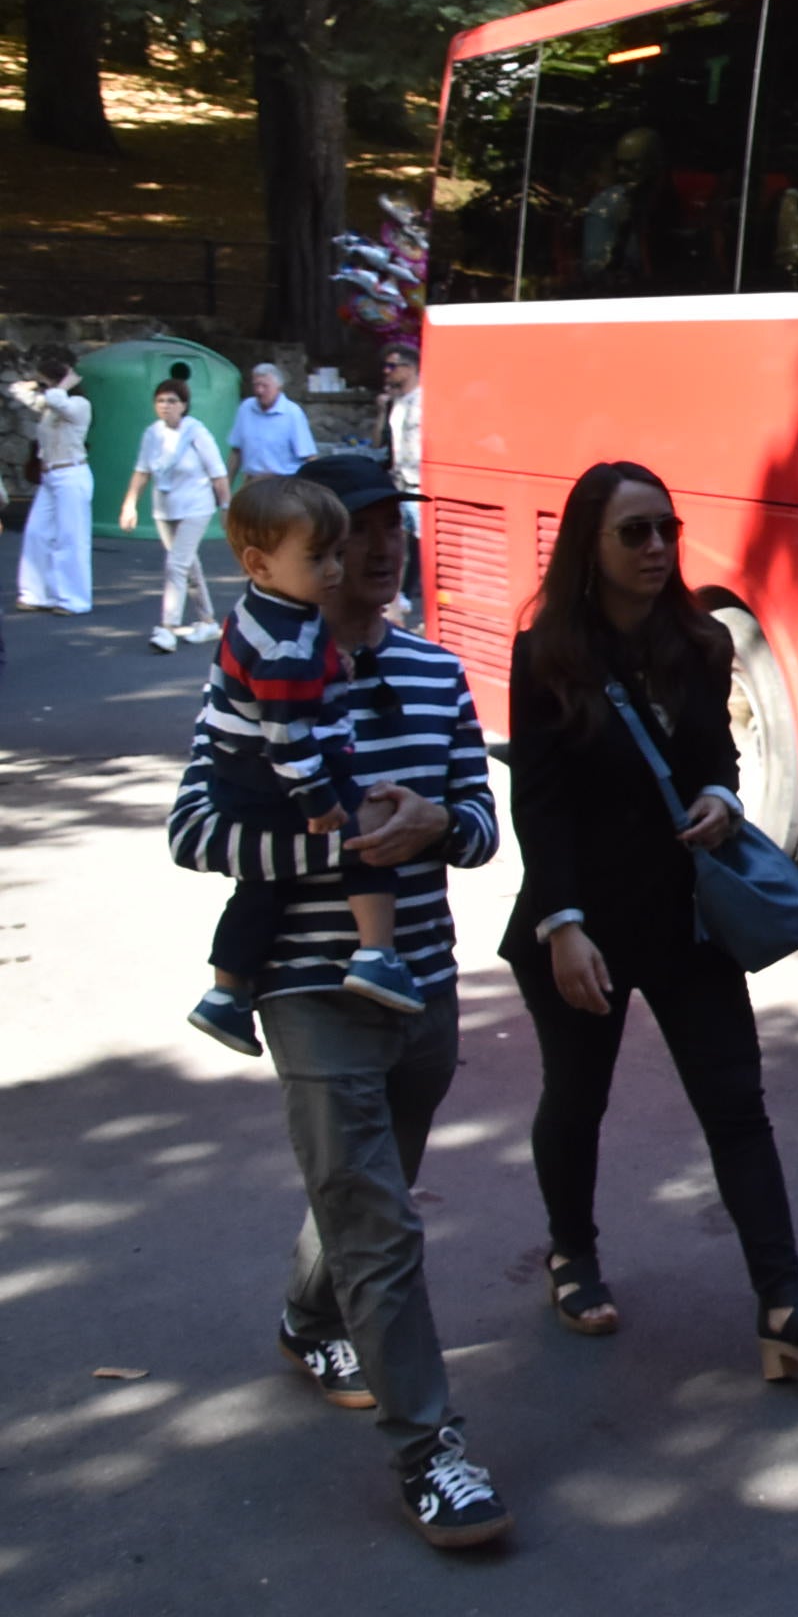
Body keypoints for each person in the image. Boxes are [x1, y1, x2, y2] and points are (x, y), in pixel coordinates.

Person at [164, 451, 512, 1548]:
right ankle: (433, 1451)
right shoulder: (252, 670)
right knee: (380, 1220)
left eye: (390, 523)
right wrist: (322, 839)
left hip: (422, 978)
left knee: (366, 1193)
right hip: (310, 986)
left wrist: (433, 829)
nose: (382, 543)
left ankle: (307, 1315)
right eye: (357, 527)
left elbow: (481, 821)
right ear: (311, 549)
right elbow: (191, 832)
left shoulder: (437, 672)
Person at [504, 459, 798, 1381]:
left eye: (666, 527)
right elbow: (539, 804)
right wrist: (563, 924)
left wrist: (719, 797)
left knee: (737, 1107)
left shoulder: (700, 644)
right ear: (590, 544)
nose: (659, 547)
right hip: (582, 920)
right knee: (577, 1097)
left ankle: (785, 1307)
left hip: (688, 917)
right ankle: (571, 1252)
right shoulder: (547, 652)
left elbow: (719, 762)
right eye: (635, 532)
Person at [184, 476, 418, 1054]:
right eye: (325, 554)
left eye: (338, 552)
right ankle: (377, 954)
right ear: (260, 564)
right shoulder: (287, 644)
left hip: (245, 775)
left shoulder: (272, 614)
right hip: (277, 779)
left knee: (260, 887)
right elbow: (286, 737)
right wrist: (323, 807)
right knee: (369, 833)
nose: (339, 567)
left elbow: (475, 831)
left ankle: (225, 993)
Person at [120, 377, 231, 650]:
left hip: (196, 506)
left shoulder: (197, 433)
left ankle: (168, 628)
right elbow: (142, 471)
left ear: (184, 405)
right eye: (160, 401)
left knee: (176, 565)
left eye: (172, 401)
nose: (165, 406)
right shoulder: (152, 433)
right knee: (188, 565)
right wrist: (130, 503)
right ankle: (207, 621)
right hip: (165, 509)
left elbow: (219, 476)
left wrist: (225, 508)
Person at [10, 345, 92, 614]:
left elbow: (59, 401)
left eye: (49, 383)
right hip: (50, 477)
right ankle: (36, 594)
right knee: (36, 533)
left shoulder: (78, 405)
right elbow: (18, 392)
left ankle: (74, 599)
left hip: (72, 473)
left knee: (71, 537)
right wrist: (34, 383)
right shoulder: (49, 406)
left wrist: (66, 382)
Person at [378, 341, 423, 626]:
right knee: (400, 544)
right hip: (400, 483)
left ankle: (421, 602)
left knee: (424, 545)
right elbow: (382, 442)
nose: (386, 372)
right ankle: (401, 599)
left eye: (392, 366)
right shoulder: (397, 403)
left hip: (422, 484)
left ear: (410, 368)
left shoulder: (426, 401)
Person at [228, 361, 318, 482]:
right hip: (252, 481)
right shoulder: (246, 408)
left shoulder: (292, 413)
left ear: (278, 387)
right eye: (256, 385)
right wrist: (225, 489)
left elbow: (309, 456)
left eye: (265, 386)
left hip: (283, 483)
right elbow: (236, 451)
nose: (259, 391)